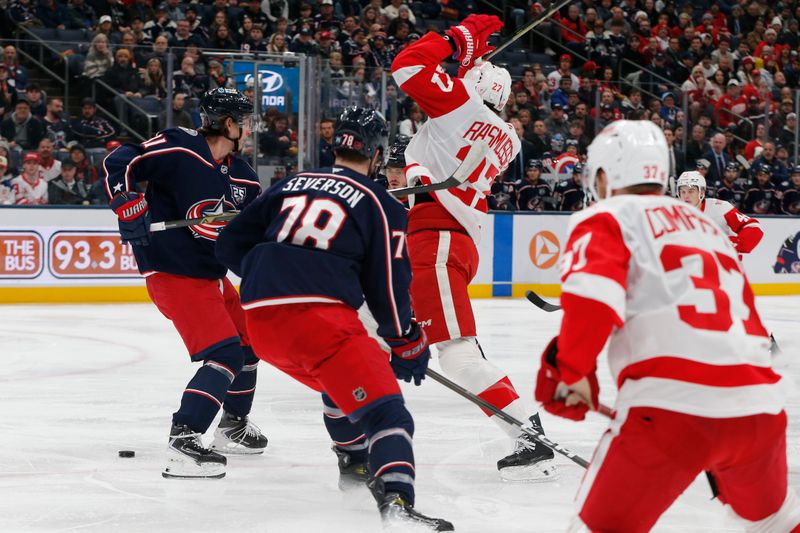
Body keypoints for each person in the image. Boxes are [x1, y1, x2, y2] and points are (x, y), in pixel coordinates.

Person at [534, 120, 798, 533]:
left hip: (670, 408)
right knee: (777, 522)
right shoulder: (710, 230)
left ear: (605, 175)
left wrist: (570, 369)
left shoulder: (607, 216)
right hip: (760, 408)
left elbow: (593, 302)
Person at [215, 107, 453, 532]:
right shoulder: (381, 203)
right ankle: (397, 505)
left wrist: (267, 275)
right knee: (388, 415)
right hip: (318, 320)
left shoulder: (291, 183)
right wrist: (406, 341)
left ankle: (353, 463)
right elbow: (389, 285)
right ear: (377, 155)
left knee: (337, 383)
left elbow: (230, 242)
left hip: (261, 322)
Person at [391, 14, 556, 481]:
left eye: (465, 74)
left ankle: (527, 432)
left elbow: (407, 66)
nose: (457, 76)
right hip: (450, 239)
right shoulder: (505, 134)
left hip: (437, 239)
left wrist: (455, 40)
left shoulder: (459, 105)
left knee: (457, 355)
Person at [102, 88, 268, 479]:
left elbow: (252, 233)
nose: (248, 127)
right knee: (224, 354)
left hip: (212, 276)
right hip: (173, 273)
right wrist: (125, 199)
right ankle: (185, 441)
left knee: (249, 344)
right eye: (243, 120)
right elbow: (120, 159)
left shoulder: (244, 175)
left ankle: (232, 428)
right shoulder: (180, 148)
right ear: (228, 124)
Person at [676, 171, 764, 256]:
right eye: (683, 191)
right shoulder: (673, 213)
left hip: (723, 267)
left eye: (691, 191)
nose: (686, 196)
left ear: (702, 192)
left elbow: (753, 227)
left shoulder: (720, 208)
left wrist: (729, 243)